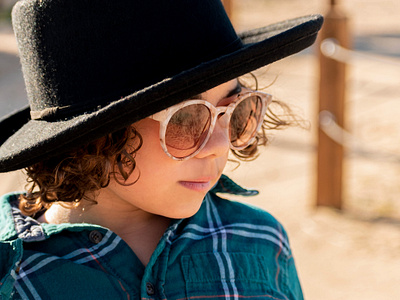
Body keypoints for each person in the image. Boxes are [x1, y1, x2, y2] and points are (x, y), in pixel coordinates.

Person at [0, 0, 323, 299]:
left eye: (235, 110)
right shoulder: (12, 276)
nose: (219, 145)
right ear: (91, 137)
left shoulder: (260, 241)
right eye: (186, 119)